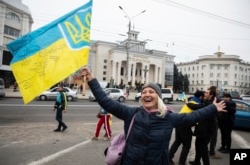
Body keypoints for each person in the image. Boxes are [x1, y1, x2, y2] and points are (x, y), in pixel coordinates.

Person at [81, 67, 226, 165]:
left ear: (158, 97)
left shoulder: (169, 117)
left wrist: (213, 108)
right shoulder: (131, 114)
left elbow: (192, 117)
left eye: (151, 92)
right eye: (144, 92)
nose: (147, 94)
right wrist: (91, 80)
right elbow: (106, 101)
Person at [169, 90, 204, 165]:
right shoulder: (197, 105)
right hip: (185, 126)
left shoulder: (190, 101)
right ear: (201, 97)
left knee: (177, 141)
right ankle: (181, 162)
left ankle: (169, 158)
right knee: (186, 145)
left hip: (178, 123)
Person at [189, 86, 219, 165]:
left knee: (203, 149)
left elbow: (199, 107)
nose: (204, 94)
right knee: (198, 146)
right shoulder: (206, 101)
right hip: (202, 129)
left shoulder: (211, 104)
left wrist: (189, 104)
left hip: (205, 131)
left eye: (206, 93)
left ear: (211, 95)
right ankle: (197, 161)